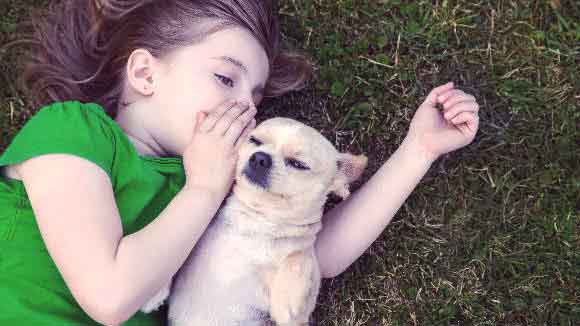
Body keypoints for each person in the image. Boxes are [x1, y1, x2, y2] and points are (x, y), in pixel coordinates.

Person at [0, 0, 480, 325]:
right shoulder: (71, 131)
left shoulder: (216, 178)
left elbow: (317, 252)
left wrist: (418, 151)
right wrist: (203, 190)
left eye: (255, 97)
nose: (247, 110)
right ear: (146, 73)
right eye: (225, 78)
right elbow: (109, 295)